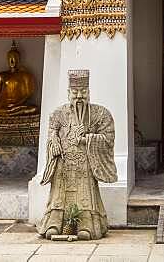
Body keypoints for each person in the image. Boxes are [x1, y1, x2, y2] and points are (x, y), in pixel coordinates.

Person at [37, 69, 117, 240]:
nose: (79, 96)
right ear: (68, 93)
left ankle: (86, 224)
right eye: (75, 92)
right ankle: (54, 223)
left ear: (89, 92)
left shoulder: (100, 114)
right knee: (58, 194)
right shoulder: (58, 114)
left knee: (84, 194)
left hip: (84, 163)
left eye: (83, 92)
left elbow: (108, 138)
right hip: (63, 163)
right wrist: (55, 142)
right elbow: (52, 131)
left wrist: (86, 139)